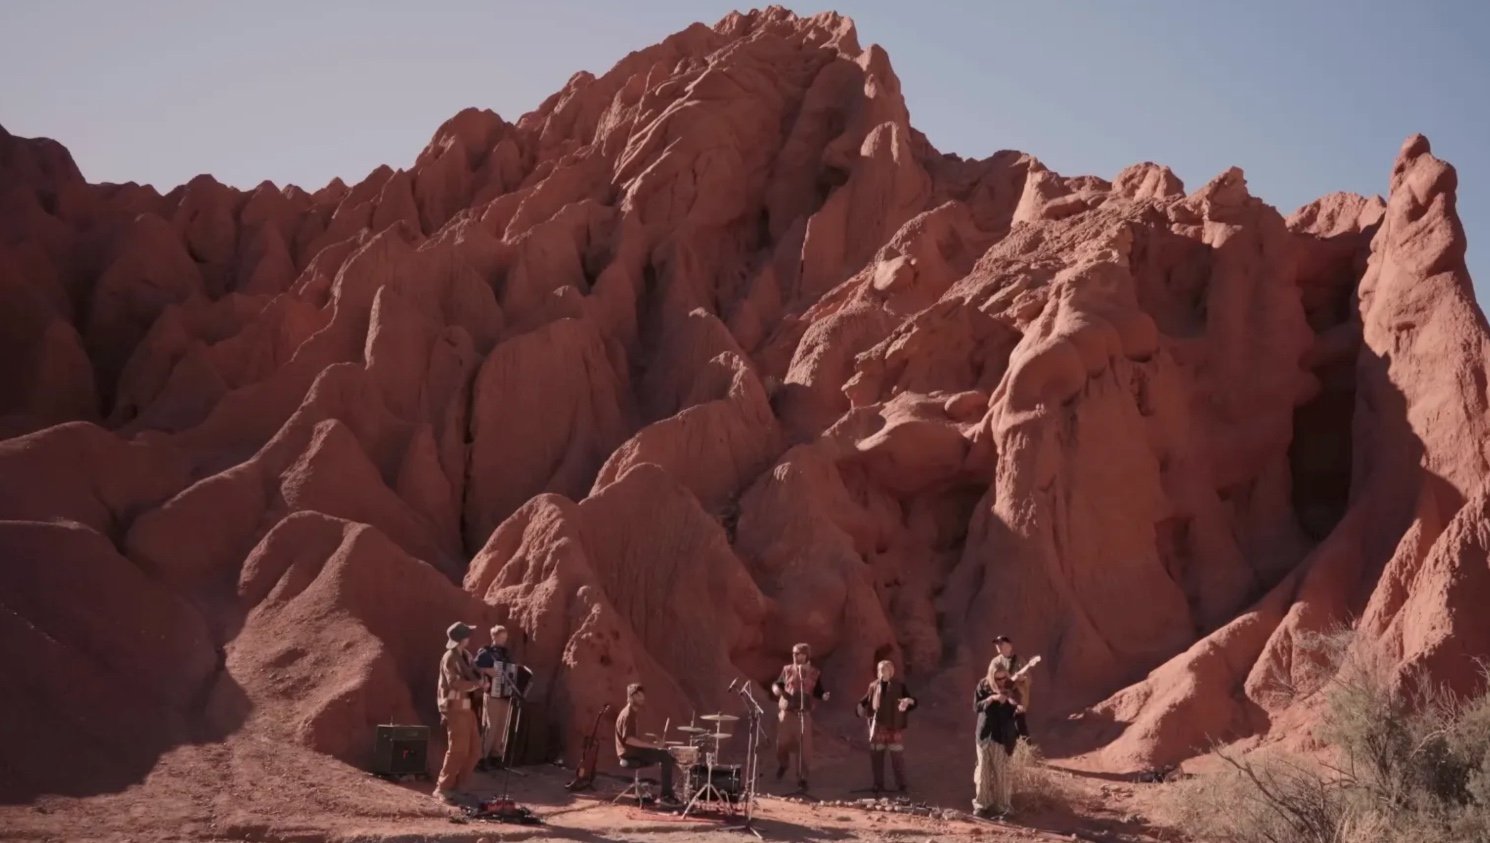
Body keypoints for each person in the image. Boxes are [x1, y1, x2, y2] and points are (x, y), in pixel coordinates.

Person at [434, 621, 484, 804]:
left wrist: (481, 679)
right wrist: (476, 685)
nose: (470, 637)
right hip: (454, 707)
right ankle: (443, 788)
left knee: (475, 750)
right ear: (462, 638)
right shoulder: (450, 657)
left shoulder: (466, 655)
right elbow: (454, 683)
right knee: (457, 750)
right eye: (467, 634)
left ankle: (460, 787)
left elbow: (474, 672)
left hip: (467, 706)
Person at [770, 642, 830, 791]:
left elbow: (818, 690)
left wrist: (823, 695)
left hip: (803, 715)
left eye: (797, 653)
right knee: (782, 743)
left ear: (805, 655)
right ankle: (783, 764)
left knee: (804, 749)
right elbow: (778, 684)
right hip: (787, 713)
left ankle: (802, 778)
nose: (794, 656)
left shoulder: (814, 672)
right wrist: (776, 688)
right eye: (793, 653)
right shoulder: (787, 669)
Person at [855, 659, 917, 794]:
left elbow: (912, 701)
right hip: (877, 727)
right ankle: (878, 784)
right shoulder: (873, 686)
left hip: (894, 727)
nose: (882, 672)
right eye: (880, 669)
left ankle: (902, 785)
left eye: (885, 669)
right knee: (876, 757)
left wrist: (908, 701)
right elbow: (865, 700)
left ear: (891, 671)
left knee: (897, 757)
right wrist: (859, 706)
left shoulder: (899, 686)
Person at [614, 683, 681, 806]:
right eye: (639, 696)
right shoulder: (628, 714)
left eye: (642, 696)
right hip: (629, 753)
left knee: (664, 754)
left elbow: (632, 738)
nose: (642, 698)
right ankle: (666, 796)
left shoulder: (631, 712)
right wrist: (654, 746)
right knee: (666, 756)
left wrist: (652, 743)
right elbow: (629, 740)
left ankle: (663, 792)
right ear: (631, 697)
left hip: (631, 751)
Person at [972, 661, 1023, 819]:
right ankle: (982, 805)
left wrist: (1011, 703)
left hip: (1002, 738)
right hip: (984, 736)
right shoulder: (983, 686)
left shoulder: (1012, 687)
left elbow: (1018, 706)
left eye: (1003, 678)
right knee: (983, 773)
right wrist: (991, 699)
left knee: (1002, 774)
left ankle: (1003, 807)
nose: (1001, 681)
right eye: (997, 678)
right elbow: (976, 707)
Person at [474, 625, 514, 771]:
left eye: (505, 638)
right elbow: (474, 667)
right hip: (492, 694)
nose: (503, 640)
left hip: (505, 695)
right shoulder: (486, 653)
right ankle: (481, 758)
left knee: (502, 726)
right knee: (490, 726)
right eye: (501, 637)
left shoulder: (506, 655)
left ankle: (496, 756)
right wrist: (486, 670)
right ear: (494, 637)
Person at [993, 635, 1032, 738]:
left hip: (1017, 700)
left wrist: (1022, 679)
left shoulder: (1019, 661)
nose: (998, 646)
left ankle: (1025, 747)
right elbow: (991, 680)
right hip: (1001, 700)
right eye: (997, 644)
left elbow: (1028, 680)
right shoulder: (995, 662)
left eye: (1001, 643)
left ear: (1009, 646)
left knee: (1020, 726)